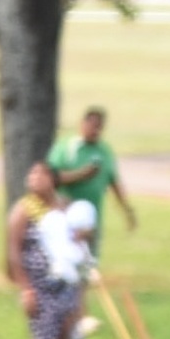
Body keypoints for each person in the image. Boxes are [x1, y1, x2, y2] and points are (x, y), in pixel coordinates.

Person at [9, 161, 84, 339]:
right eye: (31, 172)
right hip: (39, 285)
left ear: (52, 179)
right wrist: (25, 289)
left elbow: (78, 241)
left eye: (41, 173)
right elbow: (14, 251)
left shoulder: (64, 206)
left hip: (65, 282)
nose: (34, 177)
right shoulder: (24, 209)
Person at [47, 105, 131, 251]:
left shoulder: (104, 151)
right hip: (67, 213)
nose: (95, 131)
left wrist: (127, 211)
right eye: (92, 126)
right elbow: (51, 177)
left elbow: (114, 182)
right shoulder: (67, 148)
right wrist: (81, 175)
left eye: (99, 127)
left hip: (93, 216)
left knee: (89, 259)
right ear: (82, 124)